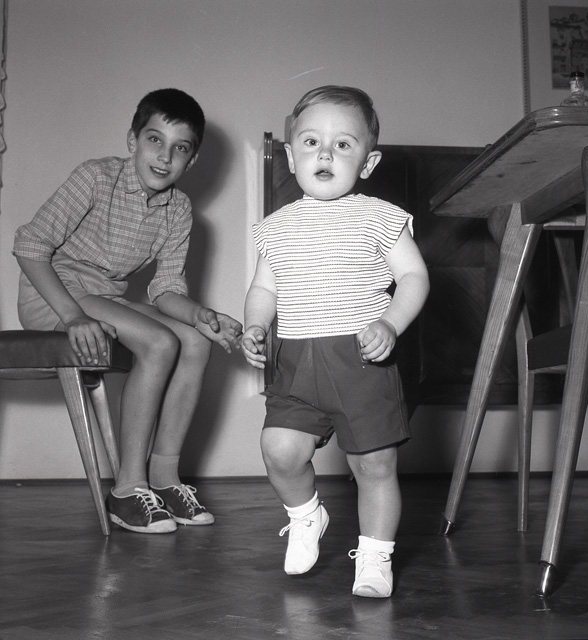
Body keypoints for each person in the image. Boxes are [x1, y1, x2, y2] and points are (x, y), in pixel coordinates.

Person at [13, 88, 242, 534]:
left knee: (195, 342)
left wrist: (200, 315)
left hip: (105, 299)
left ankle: (165, 478)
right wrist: (72, 316)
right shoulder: (96, 177)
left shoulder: (178, 209)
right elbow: (30, 245)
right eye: (155, 140)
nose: (165, 157)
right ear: (132, 140)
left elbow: (166, 290)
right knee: (159, 342)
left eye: (180, 148)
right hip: (54, 294)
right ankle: (127, 489)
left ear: (192, 159)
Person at [241, 85, 430, 597]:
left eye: (343, 144)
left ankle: (375, 556)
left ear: (368, 163)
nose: (324, 153)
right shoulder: (274, 228)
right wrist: (255, 324)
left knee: (374, 464)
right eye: (311, 142)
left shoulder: (381, 217)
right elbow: (264, 288)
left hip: (360, 362)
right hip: (296, 363)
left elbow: (414, 277)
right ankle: (306, 515)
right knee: (279, 450)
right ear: (290, 156)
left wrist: (390, 323)